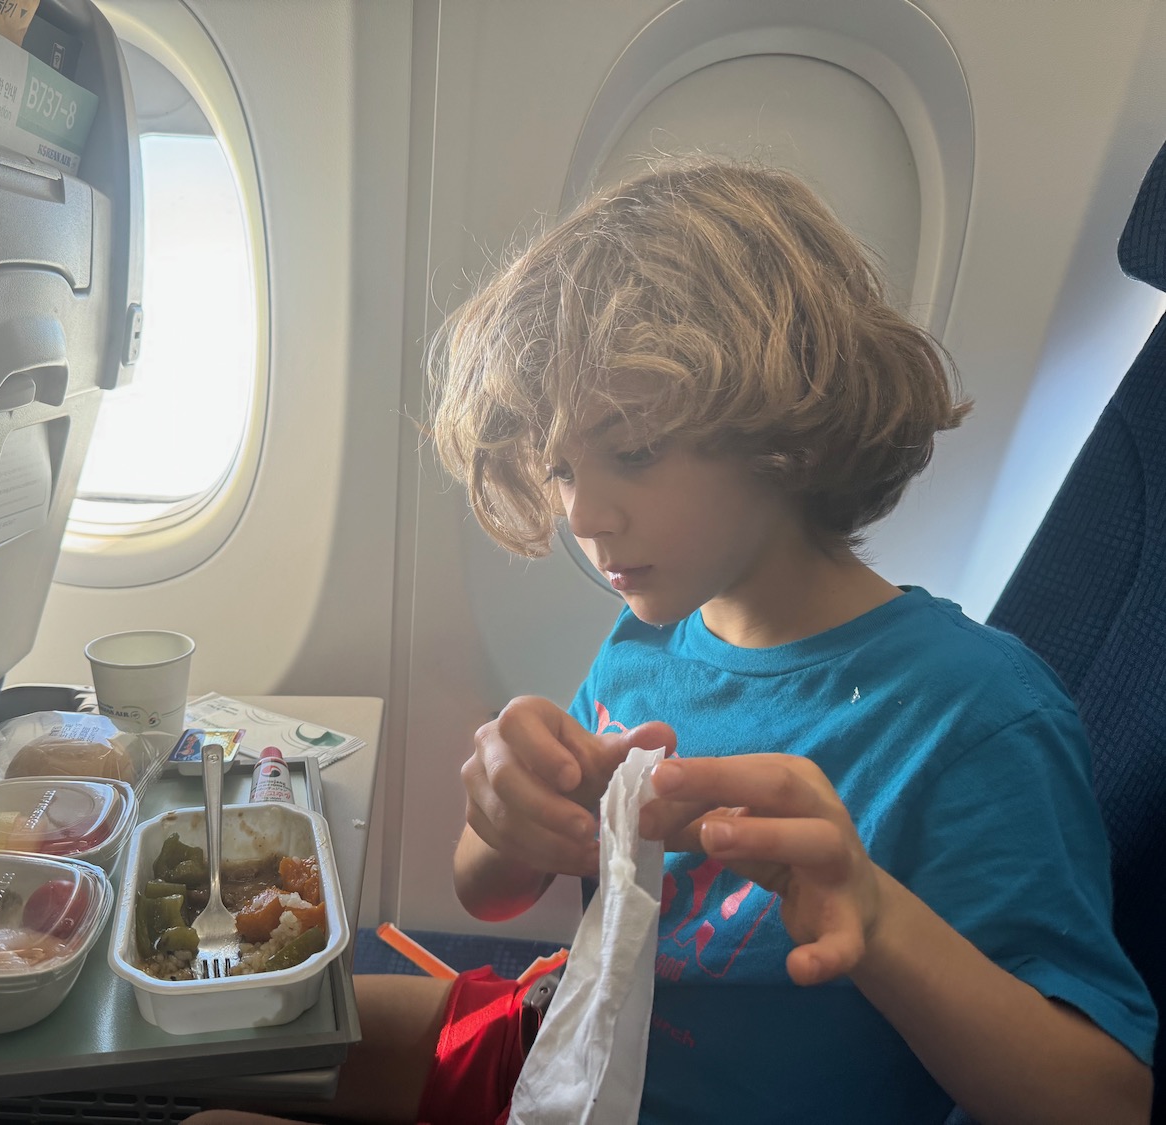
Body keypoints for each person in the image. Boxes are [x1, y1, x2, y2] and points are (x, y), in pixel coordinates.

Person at [182, 156, 1156, 1125]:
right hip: (572, 1041)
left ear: (786, 418)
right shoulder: (653, 644)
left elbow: (1104, 1101)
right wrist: (503, 815)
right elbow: (491, 892)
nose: (584, 515)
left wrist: (879, 916)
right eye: (561, 468)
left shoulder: (973, 714)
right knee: (222, 1033)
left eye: (636, 453)